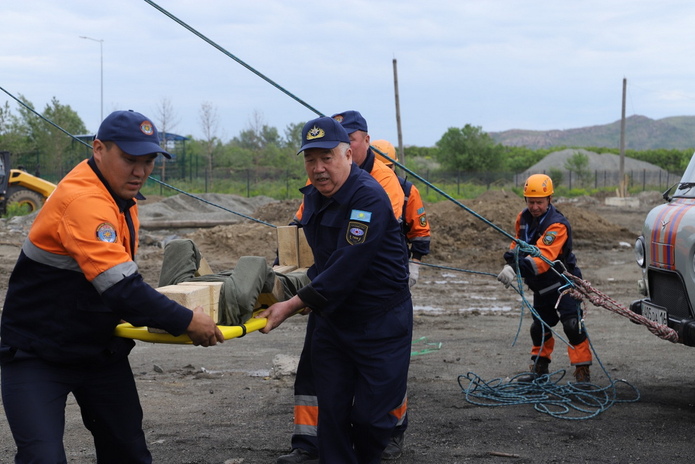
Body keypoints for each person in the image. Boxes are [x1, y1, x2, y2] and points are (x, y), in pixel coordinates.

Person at [0, 110, 225, 463]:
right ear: (99, 149)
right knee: (42, 458)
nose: (140, 171)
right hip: (37, 355)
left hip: (97, 351)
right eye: (130, 159)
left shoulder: (121, 199)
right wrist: (187, 320)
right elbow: (122, 290)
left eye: (149, 161)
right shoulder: (84, 200)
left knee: (128, 452)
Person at [259, 116, 413, 464]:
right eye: (311, 160)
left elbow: (346, 266)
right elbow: (313, 258)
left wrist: (292, 304)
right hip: (333, 322)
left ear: (348, 154)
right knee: (331, 417)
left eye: (327, 158)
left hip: (379, 323)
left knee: (373, 420)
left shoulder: (368, 197)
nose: (318, 168)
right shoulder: (313, 197)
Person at [496, 174, 592, 383]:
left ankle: (582, 373)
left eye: (539, 202)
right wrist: (510, 262)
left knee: (572, 325)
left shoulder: (557, 225)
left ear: (549, 199)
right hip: (541, 286)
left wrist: (516, 269)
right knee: (539, 327)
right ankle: (539, 370)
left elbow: (543, 258)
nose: (535, 206)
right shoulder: (522, 219)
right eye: (531, 202)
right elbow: (518, 244)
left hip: (562, 283)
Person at [371, 139, 431, 287]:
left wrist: (414, 265)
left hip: (396, 264)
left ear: (394, 166)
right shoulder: (358, 189)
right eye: (379, 167)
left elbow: (420, 233)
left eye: (389, 167)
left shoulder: (408, 192)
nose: (385, 172)